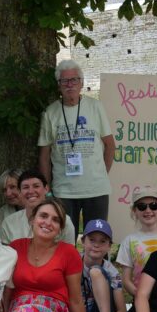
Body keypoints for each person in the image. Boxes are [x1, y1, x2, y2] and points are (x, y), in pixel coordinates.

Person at [38, 60, 115, 235]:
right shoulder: (50, 112)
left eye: (74, 79)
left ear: (81, 83)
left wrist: (101, 173)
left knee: (96, 238)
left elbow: (110, 145)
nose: (69, 84)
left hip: (96, 189)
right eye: (64, 81)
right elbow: (44, 155)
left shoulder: (95, 107)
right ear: (58, 85)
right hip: (64, 191)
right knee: (64, 239)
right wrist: (47, 190)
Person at [79, 219, 127, 312]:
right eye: (92, 240)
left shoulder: (113, 271)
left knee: (95, 271)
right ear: (83, 241)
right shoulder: (73, 261)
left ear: (109, 246)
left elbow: (122, 310)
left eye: (102, 241)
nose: (96, 245)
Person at [0, 169, 76, 244]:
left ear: (46, 189)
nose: (31, 191)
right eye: (26, 187)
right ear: (20, 192)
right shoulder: (9, 223)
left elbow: (69, 252)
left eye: (36, 186)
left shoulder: (64, 221)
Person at [116, 187, 157, 296]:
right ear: (134, 211)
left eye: (154, 205)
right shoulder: (129, 241)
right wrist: (142, 298)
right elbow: (126, 280)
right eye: (142, 206)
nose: (148, 210)